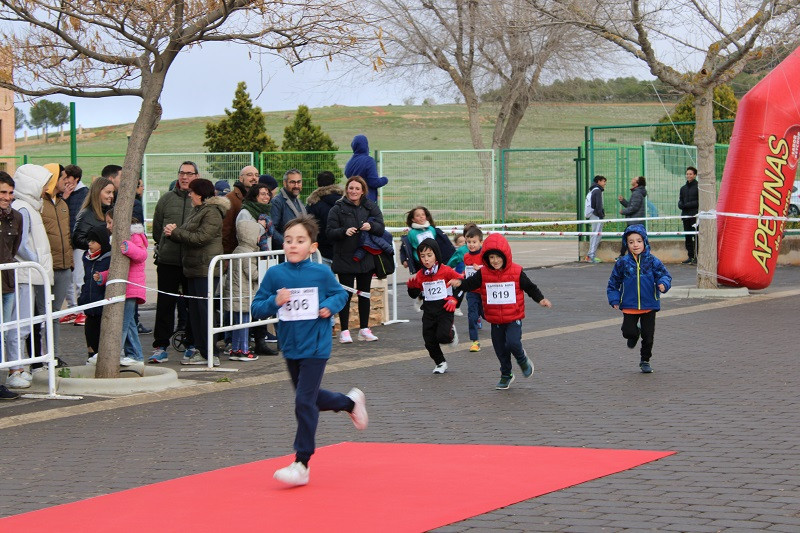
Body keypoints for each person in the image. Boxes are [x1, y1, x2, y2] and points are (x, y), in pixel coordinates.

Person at [250, 215, 367, 486]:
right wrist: (273, 301)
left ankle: (302, 463)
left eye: (300, 241)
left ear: (312, 247)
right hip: (290, 347)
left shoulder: (321, 273)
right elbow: (256, 307)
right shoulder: (275, 274)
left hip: (316, 346)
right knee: (311, 399)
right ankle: (350, 403)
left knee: (303, 402)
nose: (293, 245)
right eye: (288, 240)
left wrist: (329, 306)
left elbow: (340, 294)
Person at [450, 233, 552, 390]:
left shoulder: (516, 271)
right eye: (491, 258)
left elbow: (530, 287)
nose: (495, 261)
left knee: (513, 343)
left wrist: (541, 299)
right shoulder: (484, 273)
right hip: (495, 320)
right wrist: (460, 283)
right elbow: (470, 284)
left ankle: (522, 359)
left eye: (498, 257)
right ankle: (506, 375)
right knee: (500, 349)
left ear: (505, 256)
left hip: (513, 318)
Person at [163, 178, 230, 366]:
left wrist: (176, 233)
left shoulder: (212, 212)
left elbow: (201, 237)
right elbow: (188, 233)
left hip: (205, 269)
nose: (189, 195)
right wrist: (174, 231)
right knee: (195, 312)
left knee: (204, 311)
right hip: (194, 268)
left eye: (192, 192)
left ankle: (211, 352)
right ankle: (202, 350)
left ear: (199, 194)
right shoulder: (198, 210)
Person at [148, 162, 198, 364]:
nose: (185, 177)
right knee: (165, 305)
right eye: (182, 173)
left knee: (192, 304)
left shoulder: (201, 201)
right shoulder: (166, 200)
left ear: (196, 176)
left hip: (191, 262)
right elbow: (157, 230)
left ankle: (192, 344)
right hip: (168, 261)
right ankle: (160, 346)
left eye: (189, 173)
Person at [10, 164, 55, 386]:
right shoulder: (24, 208)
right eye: (44, 184)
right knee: (21, 323)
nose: (46, 189)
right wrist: (36, 262)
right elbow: (21, 244)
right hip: (24, 275)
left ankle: (21, 367)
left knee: (25, 322)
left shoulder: (28, 207)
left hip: (27, 274)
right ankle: (16, 369)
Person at [606, 224, 672, 374]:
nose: (635, 244)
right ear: (626, 244)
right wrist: (614, 299)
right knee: (627, 332)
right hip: (629, 304)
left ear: (645, 242)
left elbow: (665, 275)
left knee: (648, 337)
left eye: (638, 241)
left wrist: (663, 284)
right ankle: (636, 332)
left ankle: (645, 360)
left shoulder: (653, 261)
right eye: (631, 242)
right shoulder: (622, 263)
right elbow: (613, 283)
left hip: (649, 304)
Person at [326, 176, 385, 343]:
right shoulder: (337, 208)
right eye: (351, 188)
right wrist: (344, 231)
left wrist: (371, 226)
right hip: (344, 257)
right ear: (346, 189)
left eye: (357, 188)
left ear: (363, 191)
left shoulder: (370, 206)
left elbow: (381, 228)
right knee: (345, 294)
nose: (353, 191)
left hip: (365, 256)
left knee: (365, 293)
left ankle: (364, 329)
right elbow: (329, 232)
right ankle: (344, 330)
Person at [96, 215, 148, 365]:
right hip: (125, 286)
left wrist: (127, 246)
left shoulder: (135, 236)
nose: (108, 226)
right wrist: (104, 276)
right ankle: (136, 355)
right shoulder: (118, 240)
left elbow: (141, 255)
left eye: (110, 222)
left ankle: (112, 354)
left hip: (132, 287)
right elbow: (118, 266)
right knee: (129, 322)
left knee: (123, 323)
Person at [406, 238, 462, 374]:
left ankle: (451, 333)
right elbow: (415, 294)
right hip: (429, 312)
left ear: (436, 254)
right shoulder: (420, 275)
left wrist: (454, 299)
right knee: (429, 340)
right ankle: (440, 363)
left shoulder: (446, 271)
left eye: (429, 255)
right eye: (423, 256)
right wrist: (412, 289)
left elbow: (462, 283)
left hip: (445, 309)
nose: (426, 260)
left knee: (443, 337)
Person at [234, 182, 277, 355]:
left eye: (267, 194)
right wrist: (261, 227)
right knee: (250, 301)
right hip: (251, 259)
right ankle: (244, 342)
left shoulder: (266, 212)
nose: (266, 197)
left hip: (265, 258)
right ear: (254, 195)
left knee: (264, 298)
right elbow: (246, 234)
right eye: (262, 194)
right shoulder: (246, 212)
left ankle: (261, 339)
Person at [41, 163, 75, 353]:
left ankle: (53, 354)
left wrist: (69, 262)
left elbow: (67, 234)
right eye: (63, 177)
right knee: (39, 314)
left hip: (63, 268)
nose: (67, 181)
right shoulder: (39, 205)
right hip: (45, 269)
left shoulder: (63, 204)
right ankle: (38, 358)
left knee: (55, 314)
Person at [224, 221, 262, 362]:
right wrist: (264, 273)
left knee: (236, 325)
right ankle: (243, 350)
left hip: (235, 294)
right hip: (243, 295)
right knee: (244, 325)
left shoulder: (238, 250)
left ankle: (235, 349)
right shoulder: (247, 254)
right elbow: (252, 274)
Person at [0, 171, 23, 399]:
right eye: (2, 192)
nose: (7, 197)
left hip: (6, 284)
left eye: (10, 193)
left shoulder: (16, 217)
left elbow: (13, 248)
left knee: (2, 332)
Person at [446, 224, 484, 352]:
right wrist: (461, 278)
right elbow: (467, 272)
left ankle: (502, 331)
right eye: (468, 242)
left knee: (487, 315)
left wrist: (481, 270)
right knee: (472, 316)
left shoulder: (485, 255)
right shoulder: (466, 256)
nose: (471, 245)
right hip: (472, 291)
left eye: (474, 242)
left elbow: (493, 269)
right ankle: (475, 341)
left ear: (481, 242)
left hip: (485, 291)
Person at [78, 226, 112, 365]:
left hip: (102, 303)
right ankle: (91, 355)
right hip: (89, 302)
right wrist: (83, 297)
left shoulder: (108, 258)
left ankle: (100, 357)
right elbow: (87, 279)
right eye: (89, 241)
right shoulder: (86, 257)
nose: (89, 244)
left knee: (101, 333)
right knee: (89, 331)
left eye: (93, 241)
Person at [62, 164, 88, 325]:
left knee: (79, 277)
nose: (65, 181)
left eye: (67, 178)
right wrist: (64, 196)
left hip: (78, 242)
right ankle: (72, 309)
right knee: (68, 278)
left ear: (76, 179)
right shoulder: (64, 193)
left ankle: (82, 311)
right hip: (66, 241)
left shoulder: (84, 193)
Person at [305, 170, 343, 265]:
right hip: (341, 249)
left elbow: (309, 228)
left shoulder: (313, 204)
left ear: (317, 183)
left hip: (320, 251)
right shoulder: (345, 202)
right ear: (334, 183)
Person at [222, 165, 259, 254]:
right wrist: (227, 255)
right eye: (250, 175)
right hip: (236, 253)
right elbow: (225, 230)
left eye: (257, 175)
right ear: (241, 178)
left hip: (255, 252)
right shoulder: (230, 199)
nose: (254, 178)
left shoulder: (259, 198)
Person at [344, 134, 388, 202]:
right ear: (366, 146)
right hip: (367, 200)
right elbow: (374, 182)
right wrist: (384, 180)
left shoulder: (349, 163)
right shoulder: (369, 161)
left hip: (352, 200)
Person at [270, 169, 307, 250]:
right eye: (292, 182)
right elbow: (271, 228)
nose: (296, 186)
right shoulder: (277, 202)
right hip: (283, 253)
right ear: (284, 183)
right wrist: (287, 243)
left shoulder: (299, 202)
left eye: (299, 182)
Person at [617, 176, 648, 259]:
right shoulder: (637, 193)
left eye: (634, 178)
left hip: (634, 222)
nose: (632, 179)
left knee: (628, 239)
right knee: (628, 239)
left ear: (637, 183)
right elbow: (631, 206)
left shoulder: (637, 193)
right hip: (634, 221)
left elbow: (634, 208)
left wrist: (623, 211)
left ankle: (622, 256)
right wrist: (623, 201)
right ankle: (623, 255)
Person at [584, 175, 607, 263]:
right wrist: (601, 215)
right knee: (595, 234)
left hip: (595, 215)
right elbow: (597, 205)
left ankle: (591, 254)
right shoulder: (597, 191)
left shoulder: (594, 190)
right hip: (596, 215)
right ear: (599, 181)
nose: (605, 184)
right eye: (603, 181)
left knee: (597, 234)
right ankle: (591, 255)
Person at [678, 166, 699, 265]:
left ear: (694, 175)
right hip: (685, 216)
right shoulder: (683, 188)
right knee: (688, 237)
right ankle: (690, 256)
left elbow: (698, 202)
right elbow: (680, 201)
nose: (688, 176)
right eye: (687, 174)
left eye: (690, 174)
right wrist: (681, 205)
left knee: (696, 237)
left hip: (695, 216)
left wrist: (687, 205)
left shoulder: (698, 187)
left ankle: (697, 257)